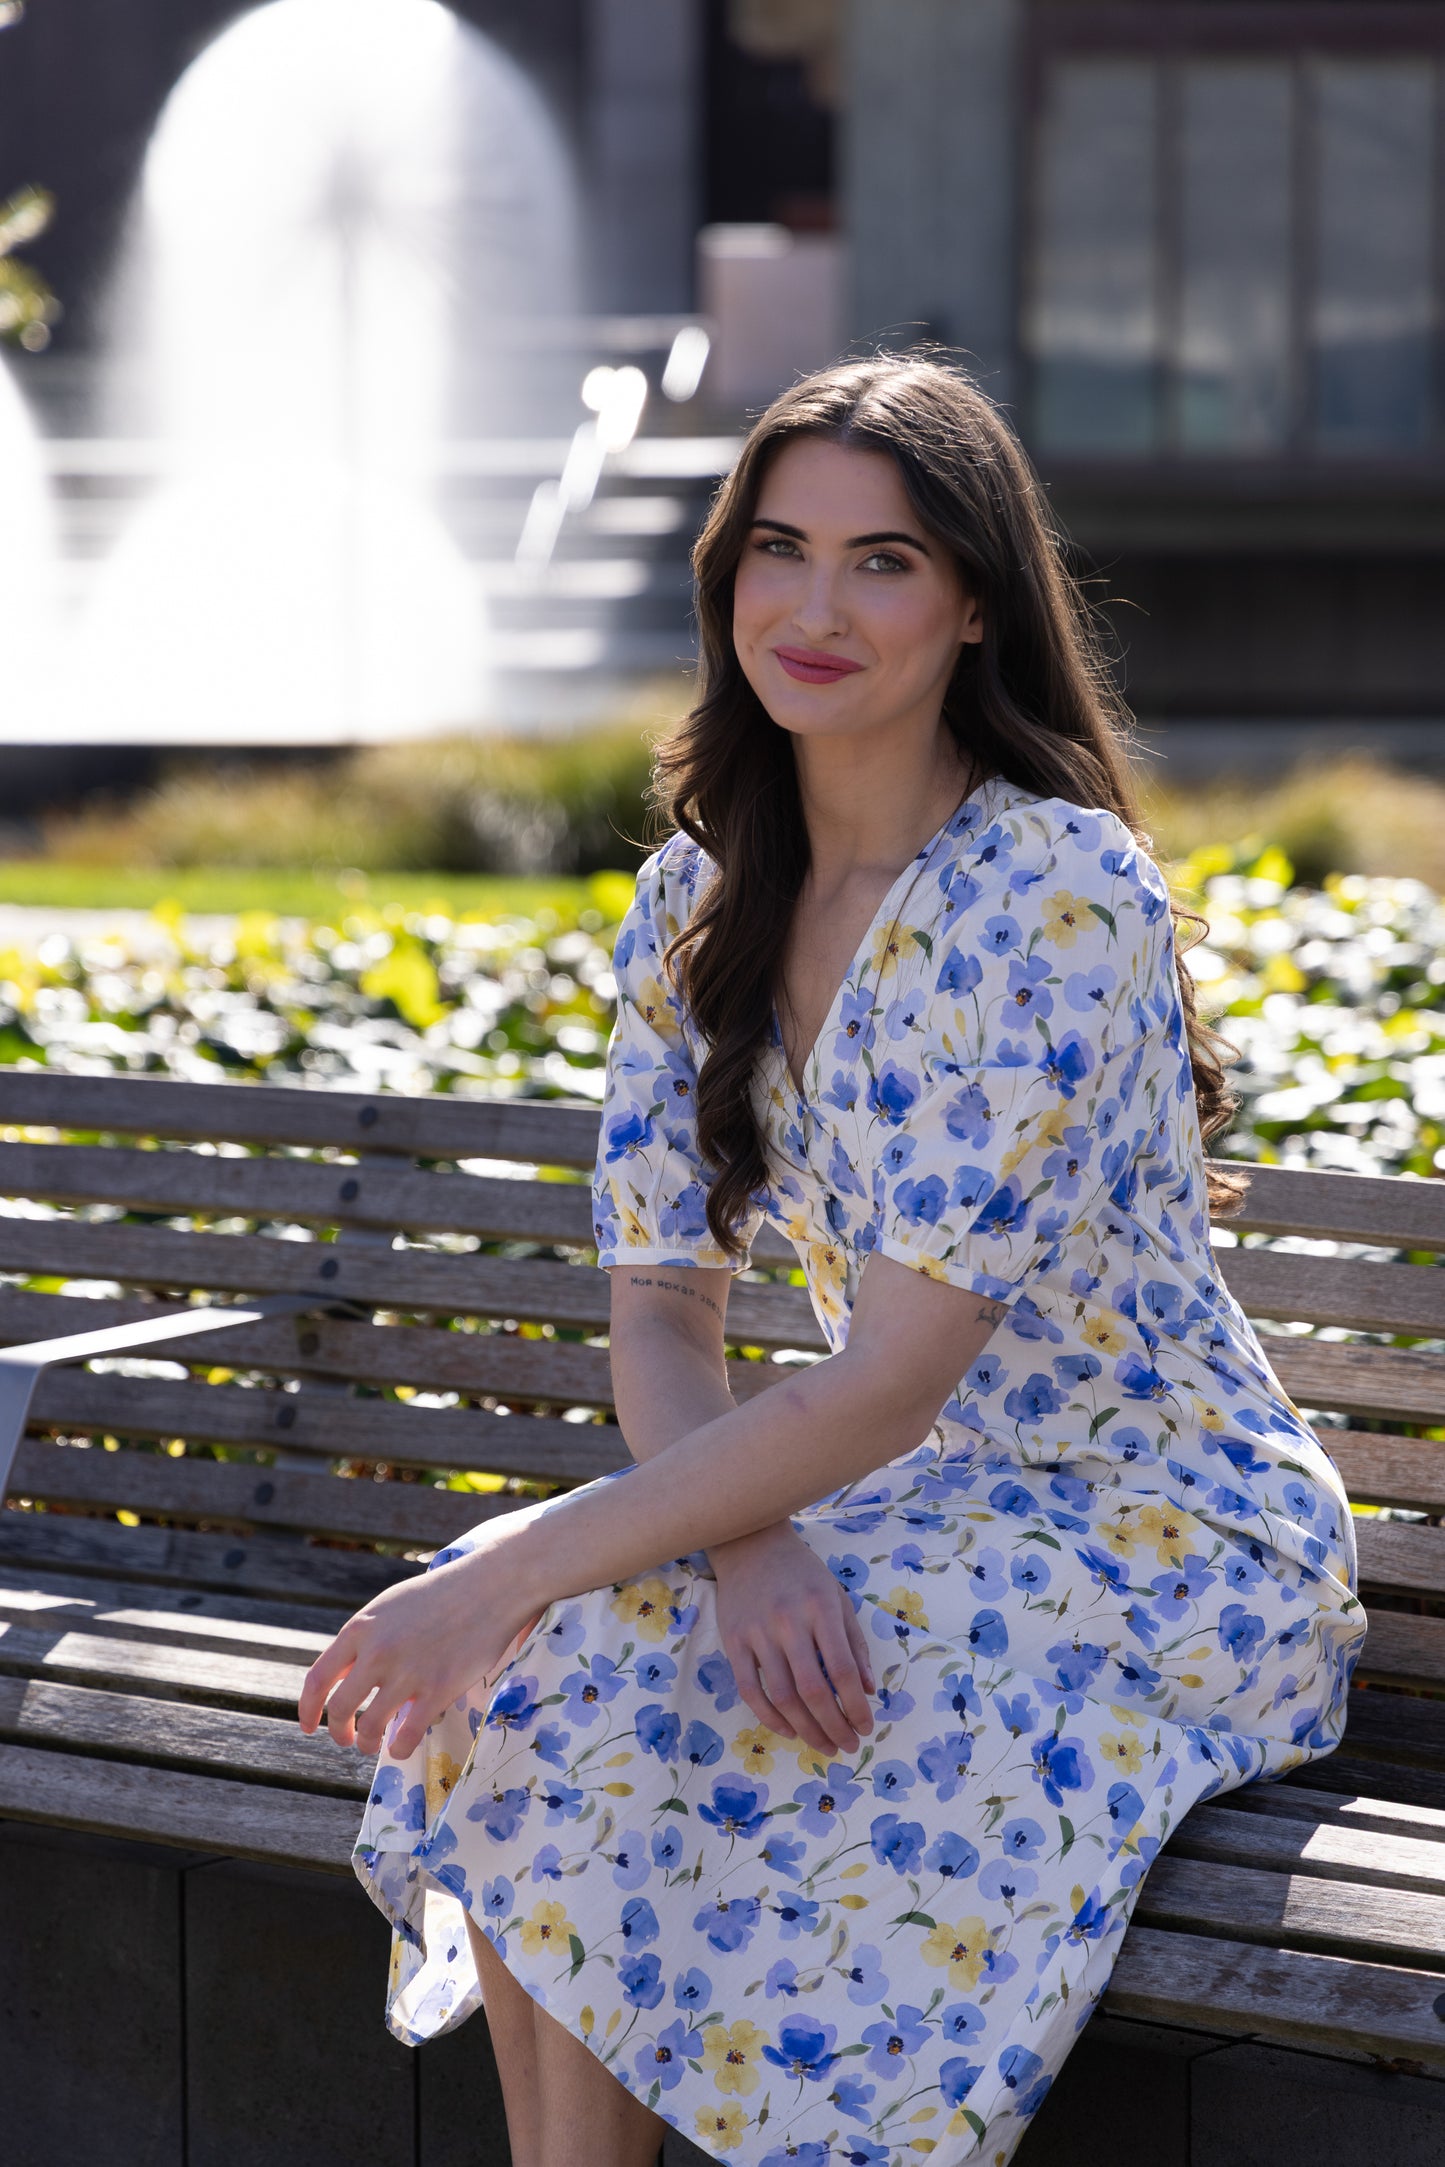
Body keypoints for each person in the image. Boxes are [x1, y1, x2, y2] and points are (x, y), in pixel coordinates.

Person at [298, 355, 1365, 2167]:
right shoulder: (695, 900)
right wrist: (741, 1536)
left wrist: (519, 1580)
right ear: (725, 579)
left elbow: (893, 1377)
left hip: (1163, 1537)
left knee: (537, 1614)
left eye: (883, 561)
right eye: (778, 548)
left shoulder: (1049, 892)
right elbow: (661, 1304)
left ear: (970, 608)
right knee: (555, 1649)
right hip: (905, 1509)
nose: (814, 605)